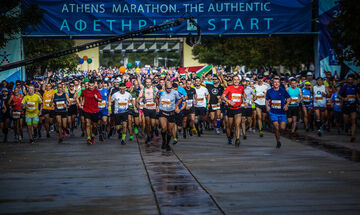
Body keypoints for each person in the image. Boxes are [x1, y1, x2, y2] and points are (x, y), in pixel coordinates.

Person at [157, 81, 184, 150]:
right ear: (165, 87)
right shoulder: (161, 92)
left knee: (169, 130)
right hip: (162, 112)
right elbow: (156, 98)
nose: (169, 89)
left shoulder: (175, 92)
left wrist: (176, 106)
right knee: (163, 128)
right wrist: (158, 105)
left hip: (171, 113)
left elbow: (180, 98)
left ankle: (167, 144)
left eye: (170, 88)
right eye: (168, 88)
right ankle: (164, 141)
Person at [265, 78, 290, 148]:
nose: (276, 84)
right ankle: (278, 141)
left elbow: (289, 98)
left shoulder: (283, 90)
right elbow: (267, 100)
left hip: (282, 112)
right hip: (273, 112)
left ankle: (279, 134)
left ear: (279, 83)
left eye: (277, 82)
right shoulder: (269, 91)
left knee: (282, 128)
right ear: (272, 83)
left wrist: (286, 105)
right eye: (274, 82)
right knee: (276, 127)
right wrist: (267, 106)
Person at [222, 75, 245, 147]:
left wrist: (245, 101)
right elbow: (223, 96)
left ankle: (237, 139)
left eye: (237, 80)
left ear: (239, 81)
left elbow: (243, 96)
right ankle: (231, 133)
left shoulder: (241, 88)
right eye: (234, 80)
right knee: (230, 125)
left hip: (238, 108)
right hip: (230, 109)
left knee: (237, 124)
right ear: (232, 81)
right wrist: (228, 101)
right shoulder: (229, 88)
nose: (236, 81)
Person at [79, 80, 102, 144]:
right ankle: (88, 138)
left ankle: (92, 136)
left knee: (94, 126)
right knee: (87, 124)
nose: (91, 87)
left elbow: (100, 100)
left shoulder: (96, 92)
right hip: (86, 110)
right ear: (88, 85)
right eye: (89, 85)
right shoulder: (84, 91)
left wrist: (97, 98)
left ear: (94, 85)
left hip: (94, 111)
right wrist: (82, 103)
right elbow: (81, 96)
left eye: (92, 86)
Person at [338, 75, 359, 142]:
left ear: (353, 80)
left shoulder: (355, 87)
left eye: (351, 79)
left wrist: (358, 100)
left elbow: (357, 95)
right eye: (349, 79)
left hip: (353, 106)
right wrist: (343, 98)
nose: (350, 80)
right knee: (346, 120)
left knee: (353, 119)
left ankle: (353, 135)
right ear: (347, 80)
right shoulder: (344, 87)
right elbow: (338, 95)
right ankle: (348, 128)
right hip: (346, 106)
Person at [138, 78, 158, 144]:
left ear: (151, 83)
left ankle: (152, 131)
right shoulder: (143, 90)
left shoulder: (155, 89)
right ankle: (148, 136)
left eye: (149, 82)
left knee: (152, 124)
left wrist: (158, 105)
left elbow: (158, 97)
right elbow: (139, 98)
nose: (148, 83)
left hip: (153, 108)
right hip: (146, 108)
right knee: (147, 123)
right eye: (147, 82)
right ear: (145, 83)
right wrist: (138, 102)